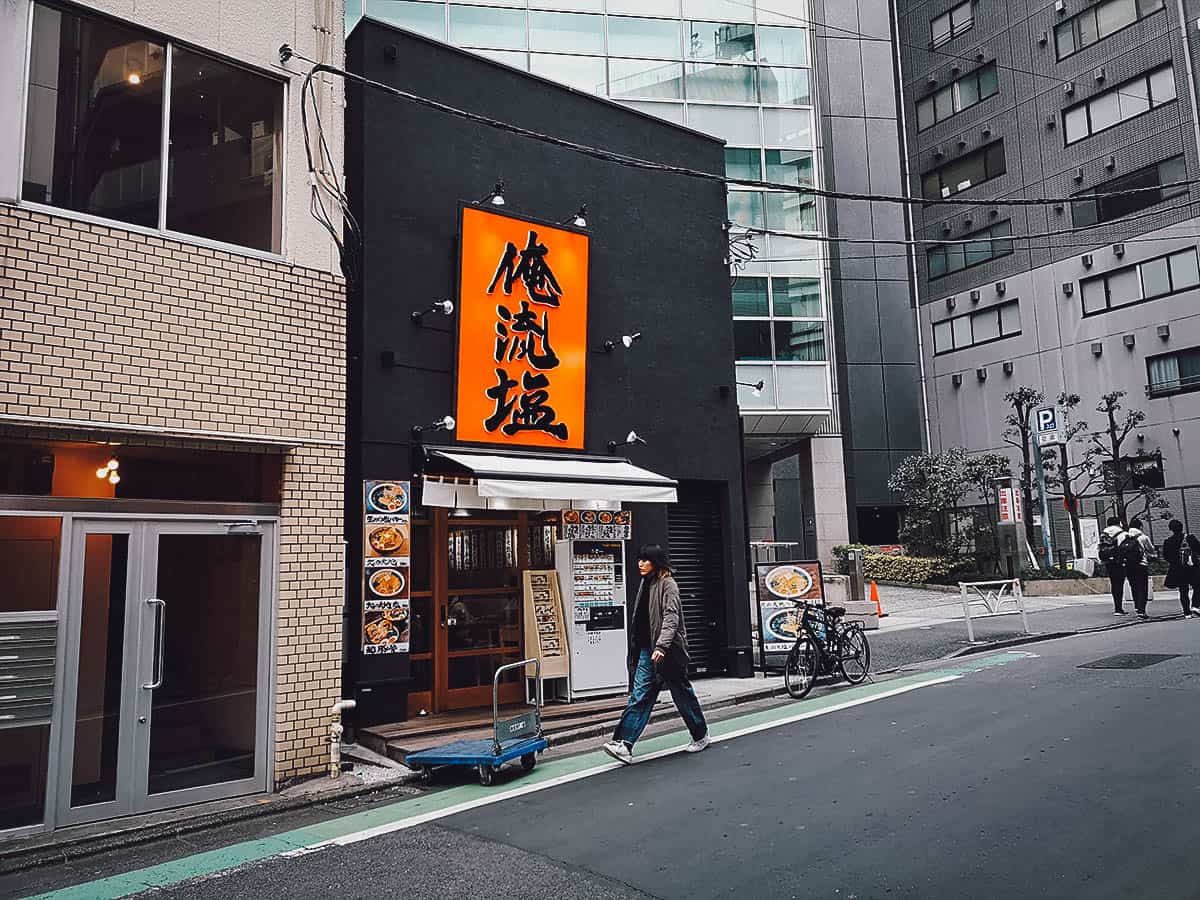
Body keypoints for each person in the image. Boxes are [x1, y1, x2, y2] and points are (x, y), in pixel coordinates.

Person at [602, 545, 709, 765]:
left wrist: (661, 646)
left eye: (645, 560)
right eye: (639, 560)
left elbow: (671, 618)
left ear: (656, 562)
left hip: (666, 651)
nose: (640, 564)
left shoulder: (668, 585)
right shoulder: (646, 583)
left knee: (681, 693)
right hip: (645, 649)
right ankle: (624, 743)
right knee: (641, 694)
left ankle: (700, 734)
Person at [1161, 519, 1200, 618]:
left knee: (1183, 590)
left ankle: (1187, 613)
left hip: (1177, 569)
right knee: (1197, 586)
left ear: (1171, 529)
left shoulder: (1168, 541)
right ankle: (1195, 605)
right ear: (1182, 527)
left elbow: (1166, 556)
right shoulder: (1190, 538)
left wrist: (1175, 562)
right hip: (1192, 567)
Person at [1124, 518, 1156, 619]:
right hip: (1141, 564)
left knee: (1134, 586)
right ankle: (1142, 611)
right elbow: (1151, 549)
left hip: (1128, 565)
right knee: (1142, 587)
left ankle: (1137, 607)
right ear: (1140, 526)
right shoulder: (1143, 537)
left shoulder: (1124, 536)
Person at [1098, 517, 1128, 616]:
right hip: (1119, 562)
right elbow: (1124, 548)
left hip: (1108, 562)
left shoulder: (1104, 534)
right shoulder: (1122, 533)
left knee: (1114, 584)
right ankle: (1119, 609)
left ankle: (1117, 607)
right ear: (1118, 523)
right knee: (1120, 583)